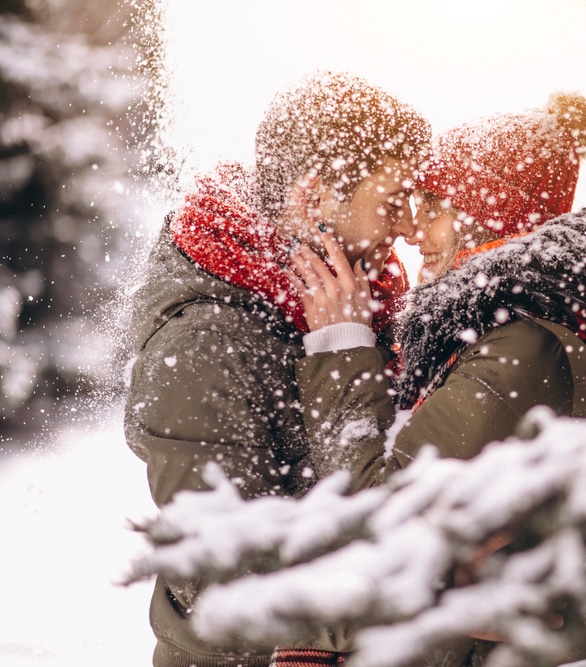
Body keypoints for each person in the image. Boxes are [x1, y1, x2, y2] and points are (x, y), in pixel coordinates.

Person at [282, 92, 586, 666]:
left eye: (433, 207)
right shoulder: (495, 334)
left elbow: (381, 516)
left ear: (485, 216)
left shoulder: (523, 349)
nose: (413, 231)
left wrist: (341, 345)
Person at [124, 70, 431, 667]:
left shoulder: (351, 299)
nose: (406, 228)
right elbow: (225, 578)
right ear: (313, 199)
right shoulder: (207, 343)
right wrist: (444, 598)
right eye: (391, 203)